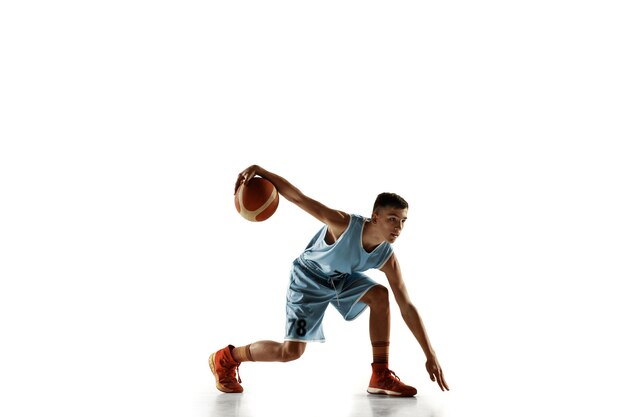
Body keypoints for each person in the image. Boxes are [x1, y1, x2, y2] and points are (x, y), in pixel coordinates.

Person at [209, 165, 449, 396]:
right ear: (375, 217)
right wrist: (261, 170)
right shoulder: (342, 224)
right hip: (307, 282)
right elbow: (298, 198)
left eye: (403, 221)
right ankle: (226, 358)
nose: (398, 227)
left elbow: (406, 306)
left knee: (380, 295)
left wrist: (430, 354)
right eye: (392, 219)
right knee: (290, 352)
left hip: (340, 281)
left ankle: (380, 374)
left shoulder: (386, 256)